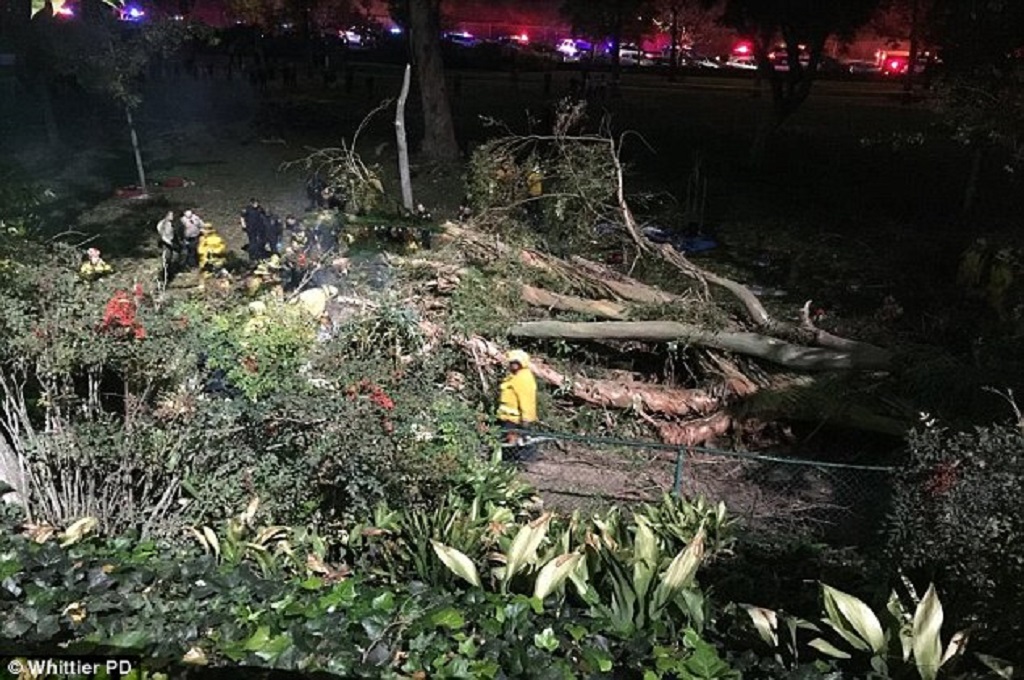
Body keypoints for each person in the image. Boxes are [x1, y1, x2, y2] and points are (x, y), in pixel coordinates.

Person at [497, 349, 538, 461]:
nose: (513, 365)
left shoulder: (523, 378)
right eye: (511, 362)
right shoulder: (514, 376)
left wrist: (526, 419)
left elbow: (527, 400)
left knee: (514, 443)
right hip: (507, 417)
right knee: (511, 442)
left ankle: (516, 463)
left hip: (515, 419)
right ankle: (512, 462)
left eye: (516, 362)